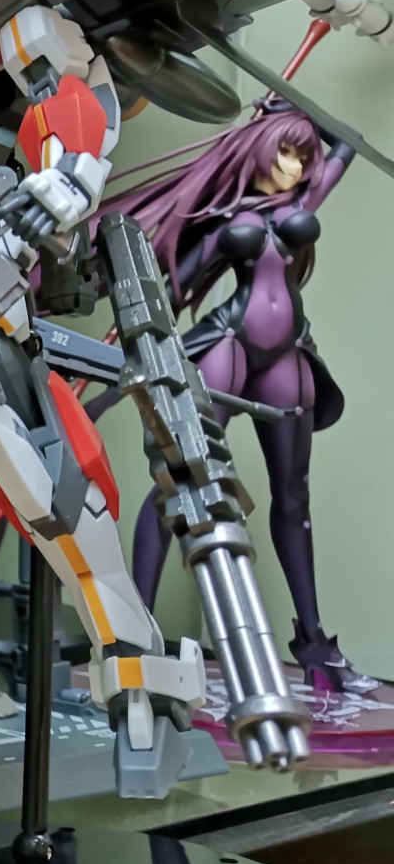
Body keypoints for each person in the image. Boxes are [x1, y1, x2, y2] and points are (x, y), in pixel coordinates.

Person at [93, 99, 373, 694]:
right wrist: (142, 331)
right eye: (284, 152)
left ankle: (313, 642)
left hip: (287, 355)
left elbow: (346, 141)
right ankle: (135, 631)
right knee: (178, 480)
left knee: (293, 497)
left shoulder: (302, 204)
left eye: (302, 157)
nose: (294, 168)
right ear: (257, 149)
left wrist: (288, 110)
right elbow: (172, 285)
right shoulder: (227, 219)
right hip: (229, 344)